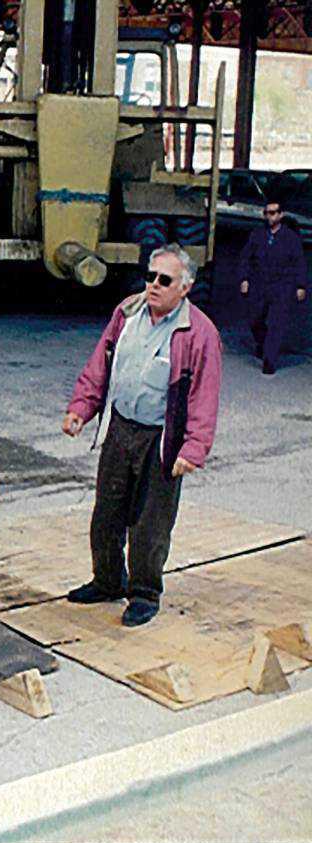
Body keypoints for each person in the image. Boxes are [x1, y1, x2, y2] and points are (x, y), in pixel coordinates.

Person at [63, 244, 222, 627]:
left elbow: (205, 396)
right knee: (107, 513)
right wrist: (81, 409)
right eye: (150, 276)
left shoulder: (200, 334)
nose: (153, 285)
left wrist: (193, 449)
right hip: (120, 428)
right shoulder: (127, 312)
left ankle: (144, 593)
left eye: (164, 280)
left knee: (150, 523)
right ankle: (107, 581)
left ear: (185, 287)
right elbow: (100, 363)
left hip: (161, 440)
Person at [238, 199, 307, 375]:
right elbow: (245, 257)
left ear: (280, 214)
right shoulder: (257, 235)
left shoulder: (291, 238)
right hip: (260, 283)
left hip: (282, 285)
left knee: (277, 323)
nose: (270, 216)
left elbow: (299, 262)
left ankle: (270, 360)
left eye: (273, 213)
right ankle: (262, 343)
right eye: (267, 213)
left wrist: (300, 285)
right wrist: (244, 279)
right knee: (255, 318)